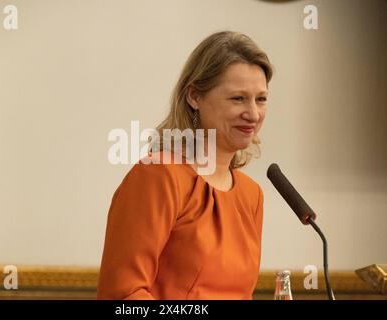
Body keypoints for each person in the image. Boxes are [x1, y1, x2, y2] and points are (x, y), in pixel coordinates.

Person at [97, 31, 274, 300]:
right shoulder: (158, 174)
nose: (253, 113)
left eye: (260, 99)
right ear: (194, 96)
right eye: (237, 98)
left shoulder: (251, 195)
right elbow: (123, 294)